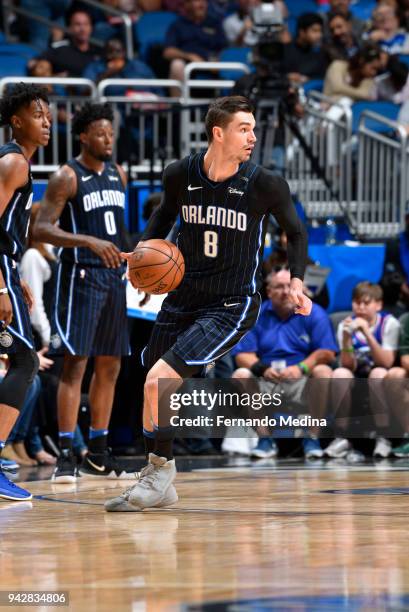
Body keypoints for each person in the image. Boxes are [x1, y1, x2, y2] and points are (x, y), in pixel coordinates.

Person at [105, 95, 312, 512]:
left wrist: (298, 282)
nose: (253, 136)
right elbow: (163, 218)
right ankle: (159, 477)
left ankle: (158, 474)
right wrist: (141, 261)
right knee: (155, 385)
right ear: (218, 133)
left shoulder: (265, 184)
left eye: (254, 127)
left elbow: (297, 233)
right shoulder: (180, 174)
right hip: (182, 296)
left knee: (158, 380)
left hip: (231, 302)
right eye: (244, 128)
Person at [33, 102, 132, 483]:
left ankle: (99, 452)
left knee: (110, 366)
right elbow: (41, 228)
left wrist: (133, 265)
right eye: (101, 134)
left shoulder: (118, 174)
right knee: (75, 365)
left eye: (111, 133)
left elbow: (119, 233)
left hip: (113, 279)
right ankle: (66, 455)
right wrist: (86, 241)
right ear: (83, 136)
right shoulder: (66, 176)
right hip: (79, 278)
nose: (108, 140)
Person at [0, 83, 51, 500]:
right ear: (17, 121)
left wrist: (14, 276)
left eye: (47, 114)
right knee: (23, 360)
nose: (46, 120)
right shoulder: (14, 162)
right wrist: (1, 284)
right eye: (37, 114)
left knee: (20, 360)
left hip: (6, 267)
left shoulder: (18, 162)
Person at [231, 267, 336, 459]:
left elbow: (327, 352)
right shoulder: (255, 315)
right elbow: (242, 356)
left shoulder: (314, 313)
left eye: (290, 286)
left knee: (323, 371)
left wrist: (302, 367)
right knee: (241, 375)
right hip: (268, 379)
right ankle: (265, 440)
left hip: (302, 379)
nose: (286, 291)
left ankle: (313, 438)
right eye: (279, 287)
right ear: (269, 291)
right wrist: (263, 369)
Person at [326, 282, 400, 459]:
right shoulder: (345, 325)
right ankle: (341, 437)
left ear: (379, 305)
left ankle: (383, 436)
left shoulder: (389, 323)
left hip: (380, 373)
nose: (360, 307)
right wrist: (345, 339)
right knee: (339, 374)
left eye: (366, 303)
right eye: (357, 302)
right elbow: (348, 366)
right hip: (356, 374)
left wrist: (367, 334)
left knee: (378, 373)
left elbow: (387, 362)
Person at [42, 7, 100, 77]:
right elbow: (35, 64)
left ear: (91, 28)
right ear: (70, 28)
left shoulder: (98, 53)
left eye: (86, 24)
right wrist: (55, 78)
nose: (82, 29)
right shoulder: (60, 49)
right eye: (78, 24)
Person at [282, 13, 328, 85]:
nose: (319, 35)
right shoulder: (284, 51)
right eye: (315, 31)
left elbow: (322, 77)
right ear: (302, 32)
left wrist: (307, 80)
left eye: (320, 31)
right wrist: (287, 77)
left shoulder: (320, 54)